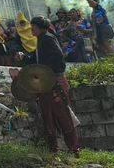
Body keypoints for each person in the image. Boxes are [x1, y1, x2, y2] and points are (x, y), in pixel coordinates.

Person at [20, 17, 80, 154]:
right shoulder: (41, 40)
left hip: (54, 82)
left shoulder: (48, 38)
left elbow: (58, 59)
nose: (31, 29)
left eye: (33, 26)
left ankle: (74, 148)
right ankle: (54, 149)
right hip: (45, 83)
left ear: (40, 27)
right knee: (48, 115)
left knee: (62, 114)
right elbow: (38, 61)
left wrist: (47, 73)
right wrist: (25, 58)